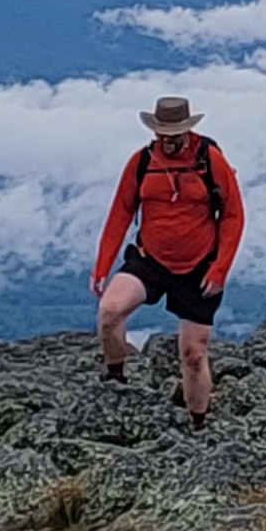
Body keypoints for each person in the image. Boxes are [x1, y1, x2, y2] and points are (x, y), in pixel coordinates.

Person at [90, 95, 244, 420]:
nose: (168, 141)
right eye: (163, 135)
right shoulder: (142, 162)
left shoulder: (210, 161)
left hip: (199, 267)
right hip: (150, 259)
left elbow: (232, 216)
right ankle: (116, 377)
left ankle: (198, 421)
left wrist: (219, 269)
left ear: (188, 131)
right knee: (110, 311)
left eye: (174, 135)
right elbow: (121, 212)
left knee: (192, 354)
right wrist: (102, 266)